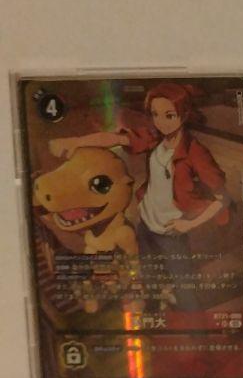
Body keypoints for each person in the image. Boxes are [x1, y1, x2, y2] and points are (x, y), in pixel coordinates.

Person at [49, 83, 229, 308]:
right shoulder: (155, 139)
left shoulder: (196, 152)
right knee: (150, 278)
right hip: (146, 226)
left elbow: (221, 198)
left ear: (184, 114)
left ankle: (193, 323)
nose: (161, 122)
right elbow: (115, 139)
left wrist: (189, 224)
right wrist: (76, 142)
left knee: (184, 286)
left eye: (169, 115)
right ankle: (154, 314)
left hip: (171, 232)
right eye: (155, 114)